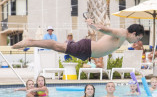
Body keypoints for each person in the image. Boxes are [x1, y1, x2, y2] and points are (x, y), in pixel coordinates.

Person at [12, 20, 144, 61]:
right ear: (134, 33)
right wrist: (95, 26)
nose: (137, 41)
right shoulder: (122, 33)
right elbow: (107, 30)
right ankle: (31, 41)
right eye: (138, 38)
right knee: (57, 47)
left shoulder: (123, 37)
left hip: (86, 52)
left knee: (58, 47)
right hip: (86, 48)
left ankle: (32, 41)